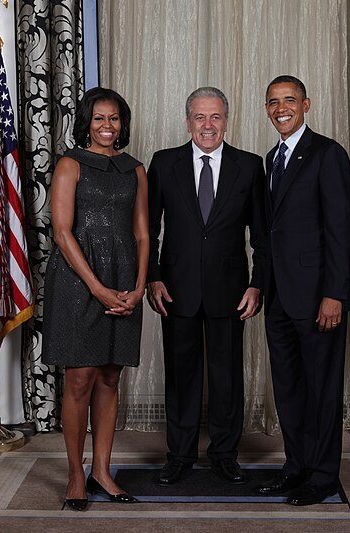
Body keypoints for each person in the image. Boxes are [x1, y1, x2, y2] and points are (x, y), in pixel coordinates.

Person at [146, 86, 266, 486]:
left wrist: (256, 284)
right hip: (176, 289)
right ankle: (179, 455)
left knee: (227, 377)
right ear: (188, 121)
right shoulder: (164, 164)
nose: (208, 125)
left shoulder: (249, 167)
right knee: (181, 378)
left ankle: (224, 454)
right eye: (200, 117)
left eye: (215, 117)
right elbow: (148, 230)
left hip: (231, 291)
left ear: (227, 120)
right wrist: (153, 277)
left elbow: (262, 237)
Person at [41, 87, 149, 511]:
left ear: (123, 124)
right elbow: (62, 232)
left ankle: (103, 471)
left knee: (110, 376)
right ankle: (75, 473)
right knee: (80, 377)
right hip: (76, 280)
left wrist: (138, 286)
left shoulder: (135, 170)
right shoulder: (70, 164)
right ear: (86, 121)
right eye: (100, 118)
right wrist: (98, 288)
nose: (108, 126)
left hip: (124, 277)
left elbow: (143, 233)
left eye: (115, 119)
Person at [256, 75, 350, 506]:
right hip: (279, 297)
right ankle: (295, 466)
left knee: (322, 390)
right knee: (290, 389)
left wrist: (335, 292)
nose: (281, 108)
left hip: (318, 297)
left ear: (306, 105)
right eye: (274, 102)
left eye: (289, 100)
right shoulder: (269, 159)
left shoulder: (328, 154)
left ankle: (322, 475)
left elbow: (340, 230)